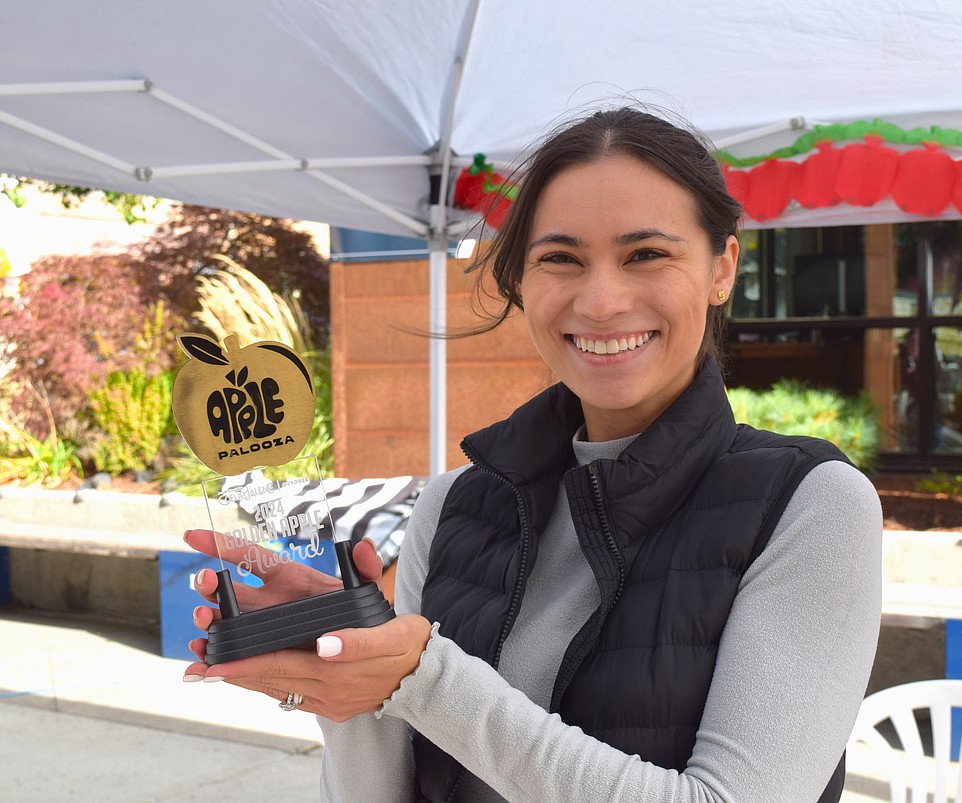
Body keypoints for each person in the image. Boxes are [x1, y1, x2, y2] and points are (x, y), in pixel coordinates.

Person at [182, 106, 883, 802]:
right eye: (560, 258)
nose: (602, 300)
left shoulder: (808, 504)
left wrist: (424, 678)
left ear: (721, 267)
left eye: (647, 254)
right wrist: (348, 676)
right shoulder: (454, 504)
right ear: (522, 280)